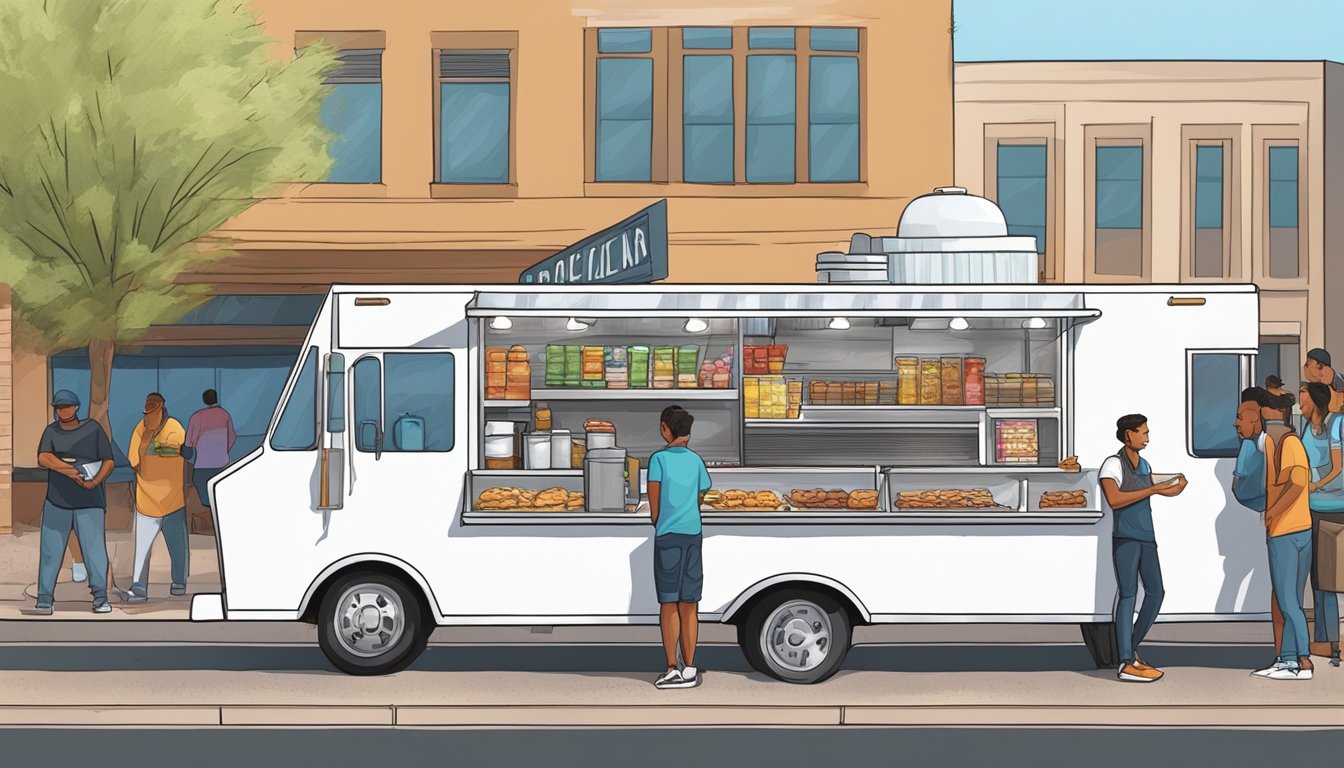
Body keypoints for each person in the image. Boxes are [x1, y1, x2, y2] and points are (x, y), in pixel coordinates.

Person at [1099, 414, 1187, 683]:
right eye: (1143, 433)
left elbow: (1158, 489)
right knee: (1128, 595)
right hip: (1125, 538)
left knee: (1156, 592)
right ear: (1128, 435)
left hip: (1147, 537)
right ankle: (1126, 661)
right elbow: (1114, 499)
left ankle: (1129, 649)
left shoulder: (1144, 463)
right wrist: (1154, 489)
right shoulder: (1112, 465)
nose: (1147, 437)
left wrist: (1178, 485)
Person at [1240, 388, 1315, 680]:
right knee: (1290, 597)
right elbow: (1254, 443)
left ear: (1267, 413)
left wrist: (1274, 513)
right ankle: (1286, 658)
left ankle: (1303, 661)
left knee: (1287, 600)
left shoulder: (1288, 442)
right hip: (1297, 529)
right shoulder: (1273, 442)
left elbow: (1297, 482)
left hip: (1287, 531)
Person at [647, 405, 711, 690]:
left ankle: (672, 667)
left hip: (669, 537)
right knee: (689, 603)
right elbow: (700, 495)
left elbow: (654, 508)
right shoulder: (696, 461)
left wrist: (660, 519)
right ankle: (690, 667)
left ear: (665, 429)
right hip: (693, 536)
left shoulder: (658, 460)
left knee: (668, 603)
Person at [34, 390, 114, 615]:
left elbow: (108, 461)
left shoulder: (92, 429)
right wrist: (69, 470)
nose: (61, 411)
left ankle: (100, 598)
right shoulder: (51, 431)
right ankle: (44, 598)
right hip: (56, 501)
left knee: (95, 551)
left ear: (76, 407)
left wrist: (94, 482)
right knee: (50, 552)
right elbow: (43, 457)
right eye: (58, 407)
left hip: (89, 501)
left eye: (66, 406)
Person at [123, 393, 190, 602]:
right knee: (142, 549)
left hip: (173, 500)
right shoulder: (139, 429)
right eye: (147, 411)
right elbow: (133, 460)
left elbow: (179, 450)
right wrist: (147, 439)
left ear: (161, 408)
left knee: (177, 547)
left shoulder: (174, 427)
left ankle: (179, 583)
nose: (149, 415)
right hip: (146, 501)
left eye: (153, 411)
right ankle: (139, 587)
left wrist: (159, 447)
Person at [1298, 382, 1344, 665]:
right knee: (1319, 578)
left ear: (1314, 400)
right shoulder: (1306, 429)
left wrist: (1315, 486)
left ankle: (1334, 642)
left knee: (1332, 576)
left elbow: (1339, 467)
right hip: (1312, 509)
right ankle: (1327, 640)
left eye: (1302, 397)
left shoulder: (1336, 424)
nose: (1299, 402)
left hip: (1335, 509)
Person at [184, 389, 236, 510]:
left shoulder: (197, 416)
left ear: (204, 400)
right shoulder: (225, 415)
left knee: (205, 502)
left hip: (202, 466)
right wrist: (223, 450)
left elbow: (189, 443)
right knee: (220, 500)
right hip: (222, 464)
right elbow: (232, 436)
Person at [1303, 349, 1344, 413]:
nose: (1306, 366)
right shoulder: (1312, 387)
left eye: (1309, 363)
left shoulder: (1335, 379)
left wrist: (1333, 378)